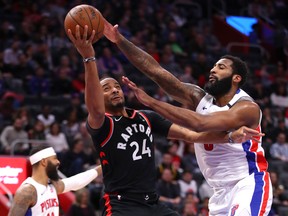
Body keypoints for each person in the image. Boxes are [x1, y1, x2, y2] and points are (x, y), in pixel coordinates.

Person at [66, 25, 263, 216]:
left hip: (246, 182)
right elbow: (155, 71)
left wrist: (151, 102)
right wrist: (119, 41)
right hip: (214, 191)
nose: (212, 70)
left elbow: (197, 128)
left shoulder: (246, 107)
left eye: (220, 67)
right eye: (213, 66)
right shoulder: (103, 122)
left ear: (236, 78)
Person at [8, 145, 102, 216]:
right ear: (44, 162)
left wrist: (103, 166)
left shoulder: (52, 186)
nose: (58, 162)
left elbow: (78, 181)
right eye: (54, 159)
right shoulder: (27, 191)